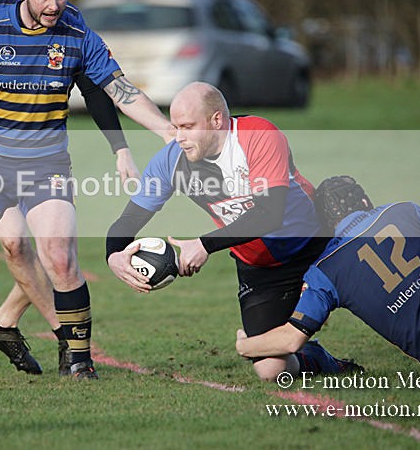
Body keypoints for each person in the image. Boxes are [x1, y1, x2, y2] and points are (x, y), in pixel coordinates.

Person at [0, 0, 172, 380]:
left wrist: (167, 131)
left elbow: (120, 90)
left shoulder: (77, 34)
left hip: (46, 168)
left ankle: (78, 359)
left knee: (59, 256)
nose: (53, 5)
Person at [106, 81, 359, 381]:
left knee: (387, 301)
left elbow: (269, 214)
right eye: (175, 127)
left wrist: (203, 244)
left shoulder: (257, 135)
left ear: (216, 120)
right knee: (270, 369)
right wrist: (114, 255)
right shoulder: (171, 161)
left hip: (317, 246)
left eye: (187, 126)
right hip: (261, 269)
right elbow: (129, 220)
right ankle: (319, 359)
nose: (179, 138)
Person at [235, 176, 420, 377]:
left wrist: (244, 345)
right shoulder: (404, 211)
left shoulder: (324, 270)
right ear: (363, 199)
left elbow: (291, 340)